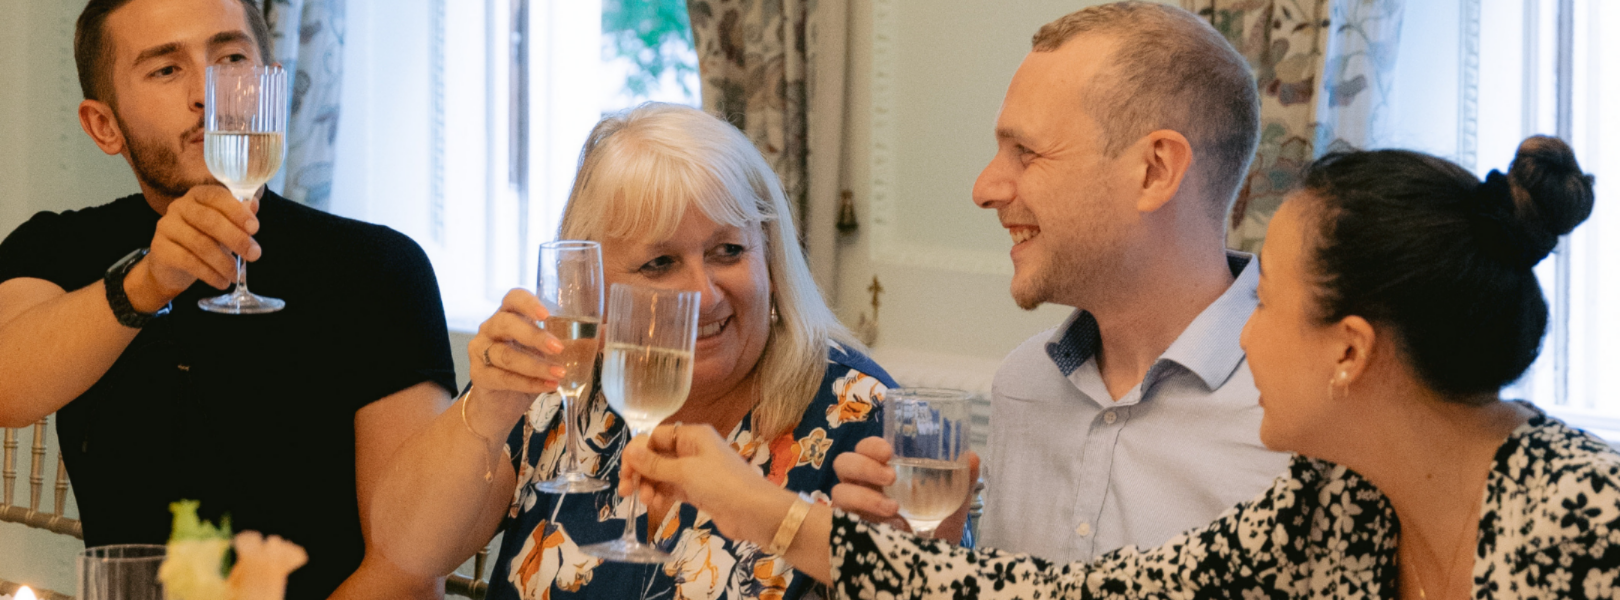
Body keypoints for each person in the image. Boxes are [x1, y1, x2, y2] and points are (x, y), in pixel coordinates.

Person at [622, 136, 1620, 598]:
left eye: (1264, 299)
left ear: (1351, 352)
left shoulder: (1589, 518)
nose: (1244, 329)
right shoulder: (1336, 507)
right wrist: (755, 505)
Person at [0, 1, 456, 599]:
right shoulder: (59, 246)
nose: (210, 94)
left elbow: (408, 569)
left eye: (232, 59)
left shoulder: (378, 270)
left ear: (271, 82)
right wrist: (147, 283)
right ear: (103, 126)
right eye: (166, 70)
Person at [370, 102, 897, 600]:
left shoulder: (856, 412)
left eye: (728, 251)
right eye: (660, 263)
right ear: (592, 285)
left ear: (771, 260)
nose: (704, 294)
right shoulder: (564, 384)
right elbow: (411, 552)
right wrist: (485, 411)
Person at [834, 1, 1290, 559]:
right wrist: (932, 559)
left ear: (1154, 171)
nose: (984, 188)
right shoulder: (1023, 384)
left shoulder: (1306, 414)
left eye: (1026, 152)